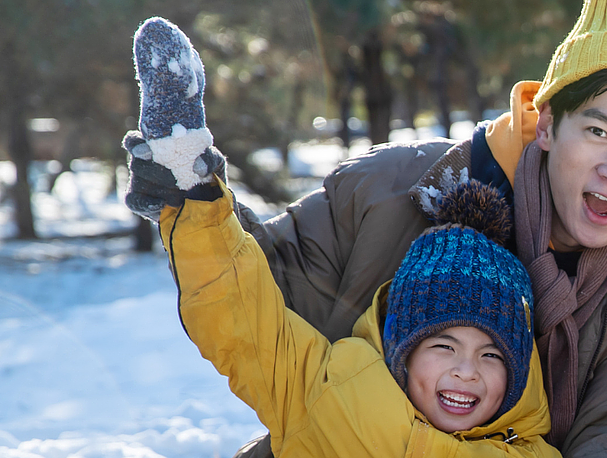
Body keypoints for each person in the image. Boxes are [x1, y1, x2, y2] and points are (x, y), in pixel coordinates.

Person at [121, 1, 607, 456]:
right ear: (548, 122)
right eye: (599, 132)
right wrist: (193, 194)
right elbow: (256, 299)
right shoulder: (394, 187)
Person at [131, 18, 558, 455]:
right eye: (444, 345)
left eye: (492, 355)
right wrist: (193, 190)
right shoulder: (327, 390)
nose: (467, 371)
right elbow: (242, 320)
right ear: (402, 346)